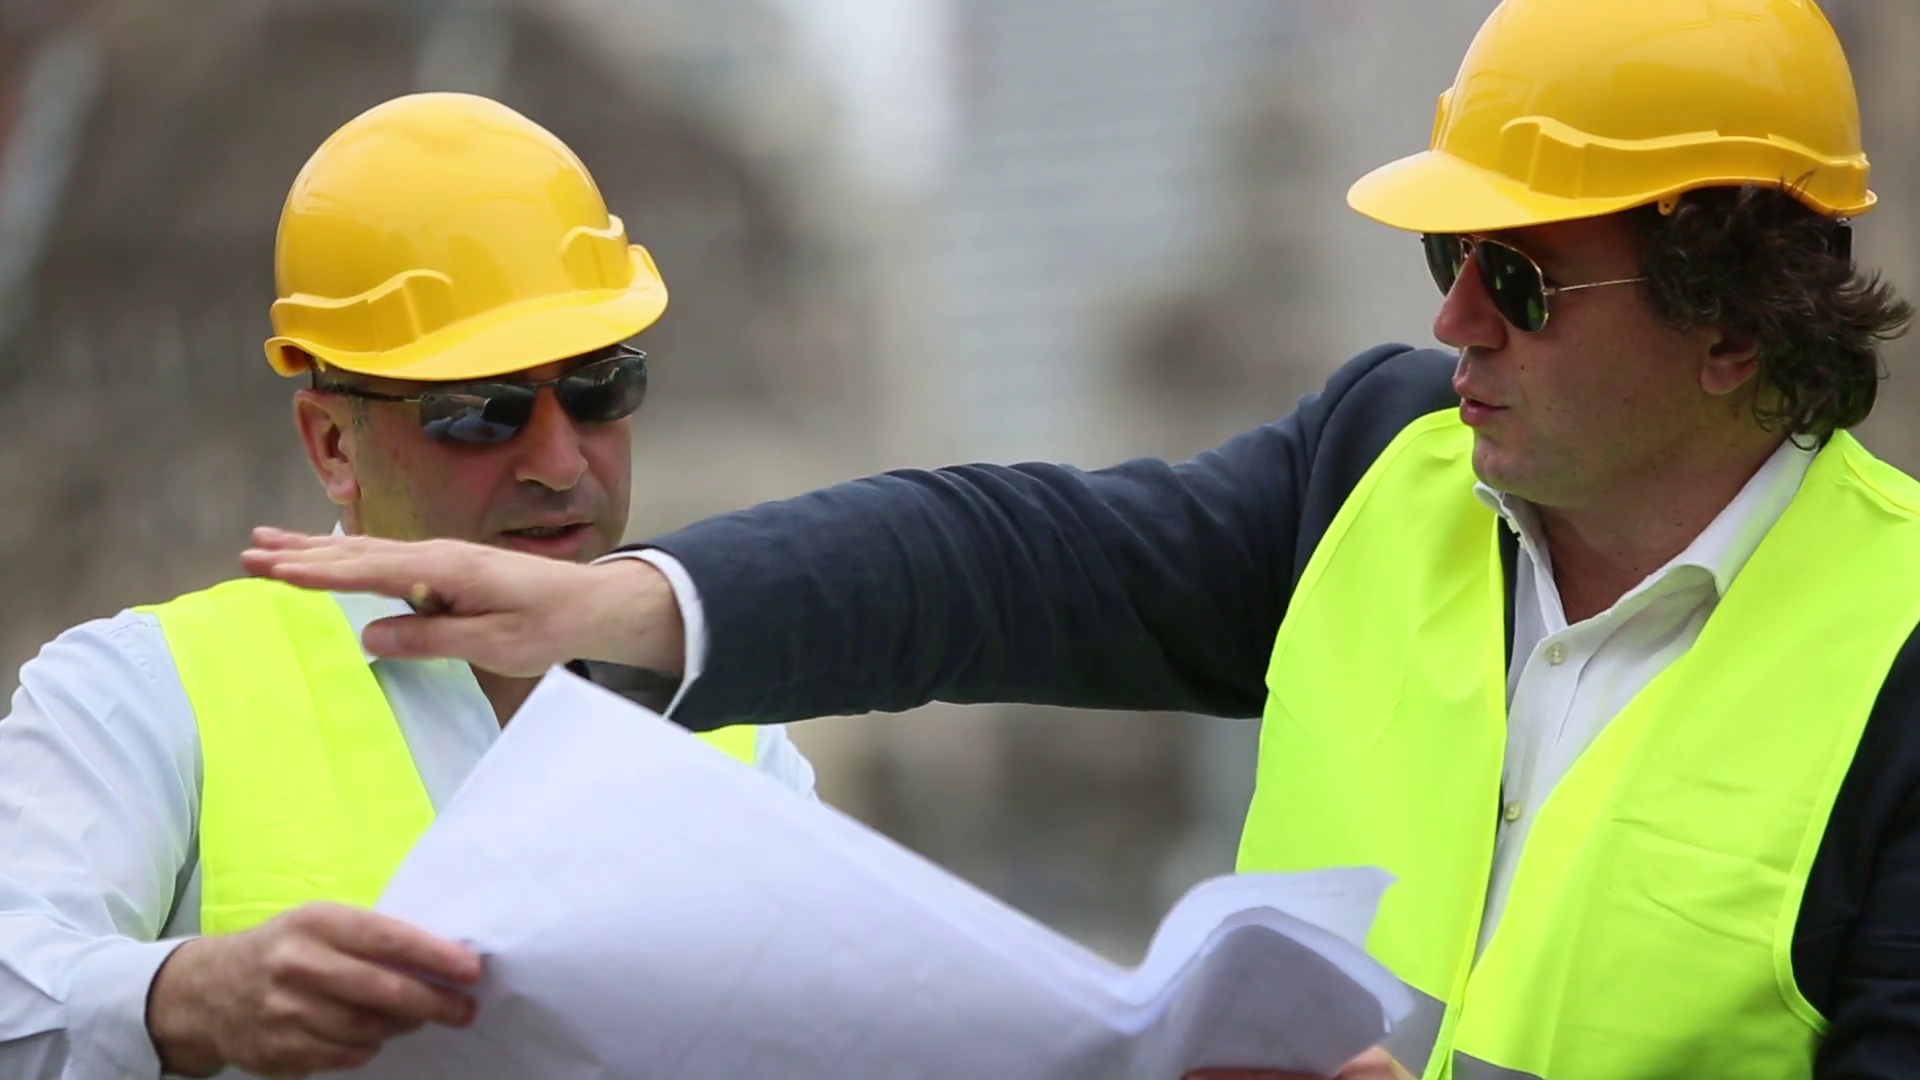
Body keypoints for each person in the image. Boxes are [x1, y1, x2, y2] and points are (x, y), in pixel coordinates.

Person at [240, 1, 1920, 1077]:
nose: (1457, 319)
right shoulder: (1379, 467)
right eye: (1449, 260)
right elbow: (1001, 560)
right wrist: (616, 605)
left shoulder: (1898, 665)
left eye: (1525, 280)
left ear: (1731, 321)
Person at [0, 92, 815, 1079]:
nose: (560, 462)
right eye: (479, 412)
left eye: (599, 388)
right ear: (332, 444)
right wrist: (187, 998)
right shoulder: (144, 695)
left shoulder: (732, 729)